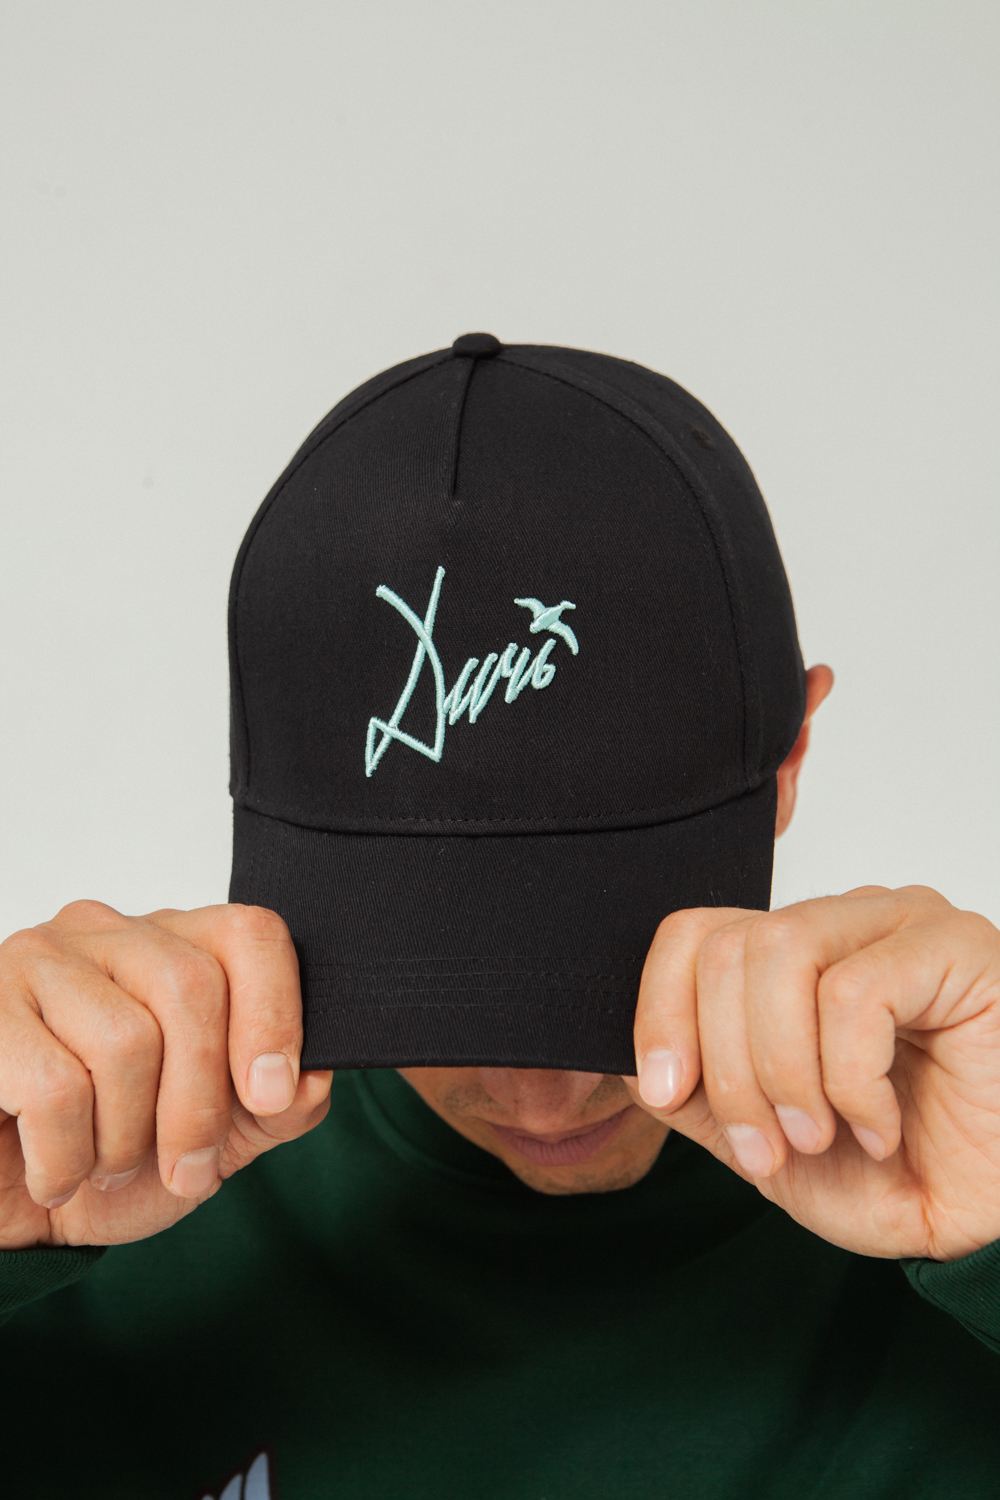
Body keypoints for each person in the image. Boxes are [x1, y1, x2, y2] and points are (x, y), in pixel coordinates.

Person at [1, 336, 998, 1500]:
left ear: (788, 763)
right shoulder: (82, 1206)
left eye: (599, 982)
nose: (542, 1099)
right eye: (439, 979)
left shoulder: (955, 1211)